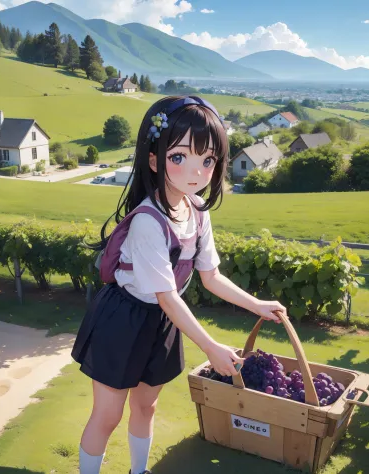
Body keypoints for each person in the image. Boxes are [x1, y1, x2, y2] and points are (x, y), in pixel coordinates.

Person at [71, 95, 285, 474]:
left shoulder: (197, 211)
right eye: (178, 157)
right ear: (154, 160)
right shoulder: (147, 222)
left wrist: (257, 305)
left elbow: (211, 275)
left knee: (146, 406)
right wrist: (211, 346)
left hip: (162, 322)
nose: (196, 172)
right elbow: (166, 295)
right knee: (107, 417)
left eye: (207, 160)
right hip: (122, 320)